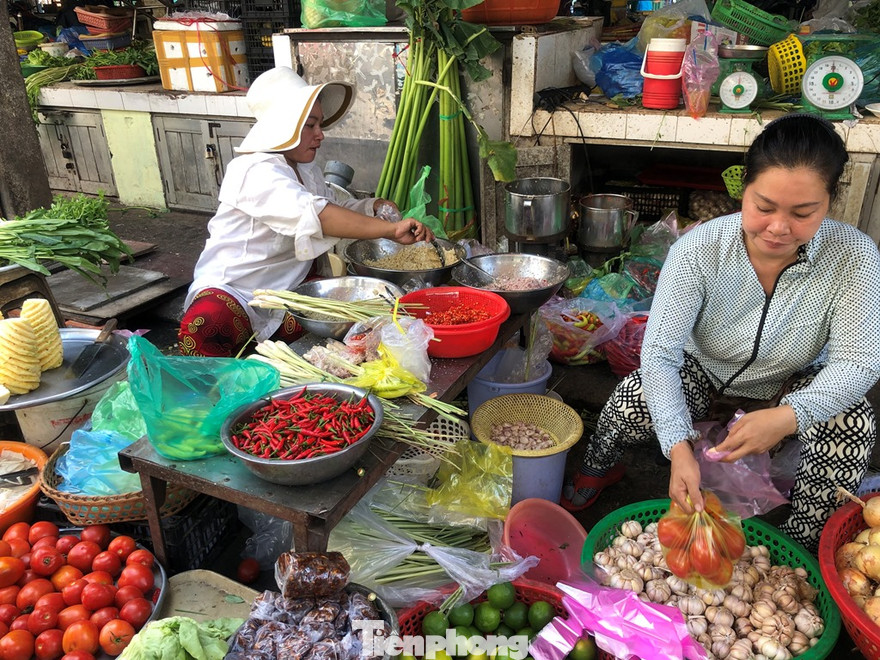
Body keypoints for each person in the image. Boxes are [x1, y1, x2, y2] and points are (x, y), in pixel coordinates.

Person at [561, 114, 880, 553]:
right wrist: (677, 446)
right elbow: (660, 354)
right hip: (705, 374)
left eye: (803, 213)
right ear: (742, 189)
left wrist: (790, 415)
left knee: (853, 420)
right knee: (633, 398)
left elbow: (858, 362)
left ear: (830, 202)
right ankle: (600, 466)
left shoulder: (853, 256)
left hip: (790, 389)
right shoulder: (700, 248)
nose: (779, 228)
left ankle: (802, 545)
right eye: (764, 207)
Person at [178, 66, 434, 357]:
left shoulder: (302, 168)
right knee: (210, 323)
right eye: (310, 125)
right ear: (282, 126)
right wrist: (390, 230)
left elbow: (331, 205)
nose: (320, 135)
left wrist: (373, 207)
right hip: (236, 292)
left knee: (342, 322)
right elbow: (320, 217)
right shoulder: (254, 171)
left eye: (320, 124)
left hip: (285, 291)